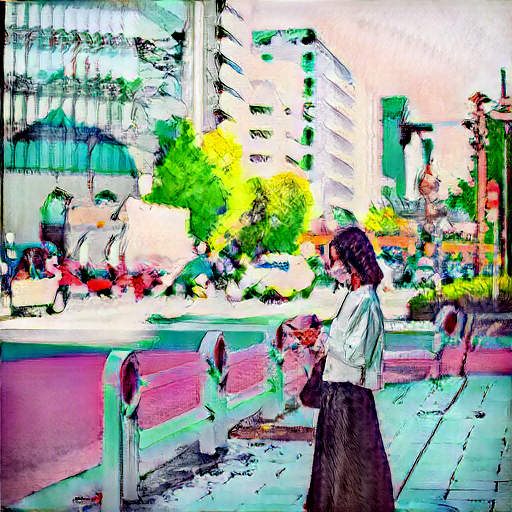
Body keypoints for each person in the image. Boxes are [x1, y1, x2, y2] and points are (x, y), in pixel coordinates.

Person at [300, 226, 395, 512]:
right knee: (335, 473)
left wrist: (323, 340)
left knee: (349, 476)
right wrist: (318, 343)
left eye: (335, 260)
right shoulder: (353, 298)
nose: (332, 267)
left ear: (351, 262)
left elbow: (355, 355)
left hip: (350, 399)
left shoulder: (366, 302)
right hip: (337, 396)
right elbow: (341, 349)